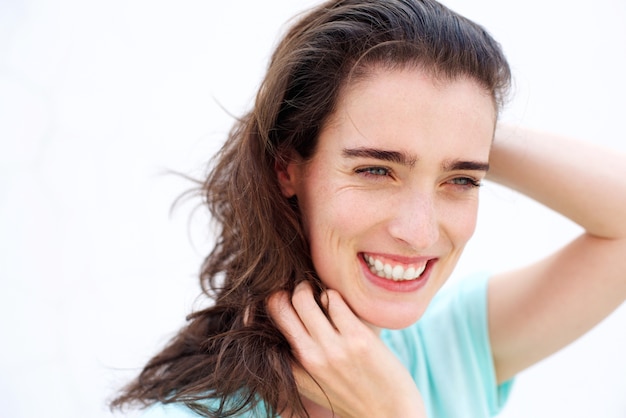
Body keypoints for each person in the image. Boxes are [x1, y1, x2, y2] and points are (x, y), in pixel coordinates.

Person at [110, 0, 626, 417]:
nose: (419, 231)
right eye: (376, 170)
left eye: (461, 178)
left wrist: (460, 121)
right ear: (286, 167)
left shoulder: (448, 346)